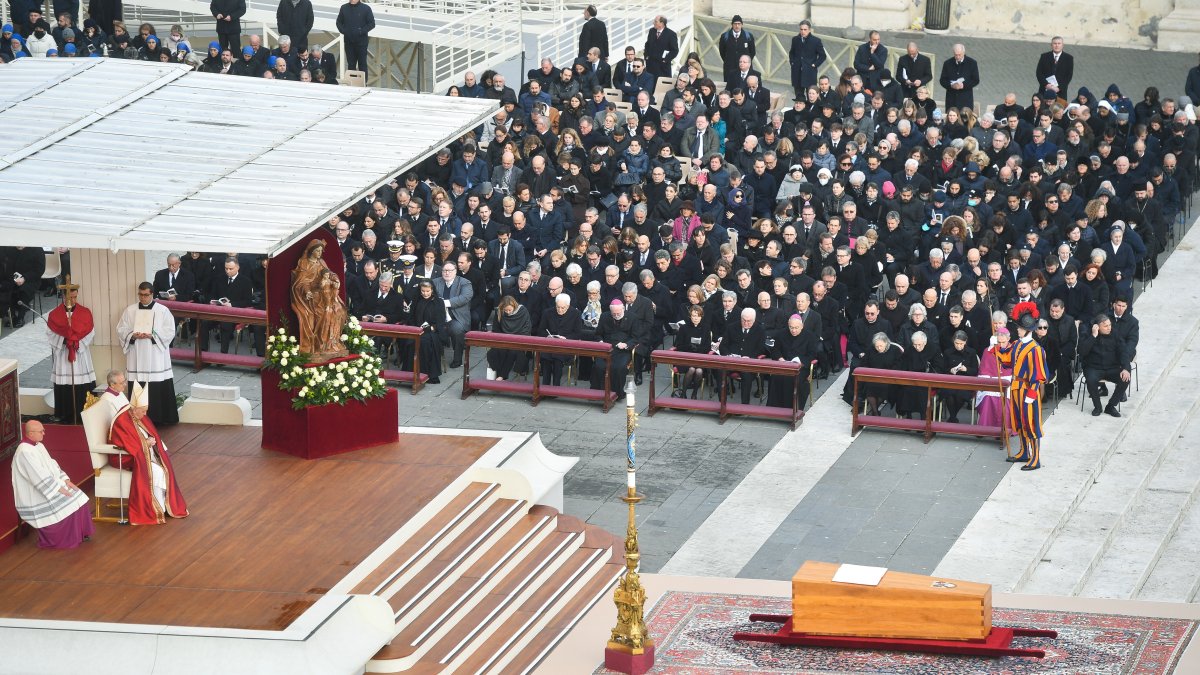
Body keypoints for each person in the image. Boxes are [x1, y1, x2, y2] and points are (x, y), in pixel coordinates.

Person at [108, 385, 189, 525]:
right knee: (157, 472)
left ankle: (162, 507)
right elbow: (128, 444)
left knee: (165, 468)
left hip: (143, 452)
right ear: (135, 409)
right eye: (143, 411)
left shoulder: (137, 415)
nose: (145, 415)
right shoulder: (122, 421)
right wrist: (146, 443)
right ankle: (155, 509)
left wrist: (155, 444)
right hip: (125, 457)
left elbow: (151, 433)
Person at [11, 421, 93, 549]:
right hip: (37, 493)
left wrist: (65, 480)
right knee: (68, 502)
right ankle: (61, 540)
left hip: (51, 484)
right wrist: (58, 489)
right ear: (31, 433)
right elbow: (37, 477)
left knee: (80, 498)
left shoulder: (39, 445)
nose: (44, 433)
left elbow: (52, 464)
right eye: (41, 431)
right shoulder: (24, 452)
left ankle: (80, 534)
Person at [115, 282, 178, 426]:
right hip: (136, 354)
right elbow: (121, 329)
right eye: (140, 295)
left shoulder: (162, 310)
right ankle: (138, 419)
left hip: (155, 356)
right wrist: (132, 335)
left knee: (156, 386)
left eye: (146, 295)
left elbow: (170, 331)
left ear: (152, 294)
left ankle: (159, 419)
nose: (143, 298)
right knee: (138, 385)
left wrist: (152, 335)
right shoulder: (130, 311)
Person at [999, 302, 1049, 470]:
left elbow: (1039, 375)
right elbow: (1007, 360)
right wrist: (997, 347)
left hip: (1028, 391)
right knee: (1019, 422)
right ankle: (1024, 452)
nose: (1017, 330)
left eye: (1020, 328)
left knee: (1031, 424)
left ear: (1027, 329)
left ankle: (1035, 458)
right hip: (1016, 388)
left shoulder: (1036, 349)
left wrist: (1032, 394)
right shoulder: (1017, 344)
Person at [46, 276, 95, 425]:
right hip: (63, 355)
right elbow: (50, 333)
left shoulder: (85, 312)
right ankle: (64, 414)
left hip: (79, 354)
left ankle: (83, 414)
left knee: (81, 385)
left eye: (75, 297)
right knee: (64, 383)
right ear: (63, 296)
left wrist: (77, 343)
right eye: (70, 297)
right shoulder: (54, 315)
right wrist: (64, 341)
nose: (73, 300)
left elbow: (91, 332)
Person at [1079, 313, 1133, 418]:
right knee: (1091, 380)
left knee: (1125, 378)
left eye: (1109, 325)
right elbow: (1082, 351)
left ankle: (1111, 406)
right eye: (1106, 326)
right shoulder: (1087, 333)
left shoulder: (1115, 334)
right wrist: (1093, 336)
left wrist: (1126, 368)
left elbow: (1123, 352)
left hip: (1112, 367)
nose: (1109, 328)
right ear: (1097, 327)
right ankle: (1097, 407)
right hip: (1093, 367)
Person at [766, 313, 818, 408]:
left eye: (796, 328)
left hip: (801, 367)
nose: (793, 330)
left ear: (802, 326)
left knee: (793, 379)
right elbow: (775, 350)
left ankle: (793, 409)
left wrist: (801, 361)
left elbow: (812, 354)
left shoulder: (809, 336)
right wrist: (780, 358)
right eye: (791, 327)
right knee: (775, 377)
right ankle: (774, 409)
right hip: (784, 365)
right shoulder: (781, 334)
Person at [788, 20, 824, 99]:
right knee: (798, 96)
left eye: (805, 29)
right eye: (801, 29)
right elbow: (791, 53)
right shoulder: (795, 39)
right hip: (797, 73)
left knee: (811, 97)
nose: (803, 31)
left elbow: (823, 56)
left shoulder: (816, 41)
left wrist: (814, 64)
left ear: (809, 30)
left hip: (809, 73)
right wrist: (792, 63)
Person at [939, 43, 979, 111]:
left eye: (959, 55)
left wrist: (963, 85)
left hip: (965, 99)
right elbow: (942, 80)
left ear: (963, 53)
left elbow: (976, 80)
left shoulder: (972, 63)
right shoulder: (947, 63)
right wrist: (951, 85)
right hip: (951, 99)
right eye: (955, 55)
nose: (957, 57)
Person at [336, 0, 373, 73]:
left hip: (361, 43)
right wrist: (344, 31)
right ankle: (351, 83)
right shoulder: (344, 8)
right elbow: (338, 22)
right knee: (351, 65)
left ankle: (363, 83)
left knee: (362, 65)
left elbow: (372, 24)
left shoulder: (366, 8)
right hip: (348, 42)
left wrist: (360, 31)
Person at [1035, 36, 1073, 103]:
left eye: (1059, 43)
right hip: (1045, 90)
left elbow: (1068, 76)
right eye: (1055, 43)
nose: (1057, 45)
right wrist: (1046, 85)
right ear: (1051, 45)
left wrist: (1059, 88)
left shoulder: (1068, 58)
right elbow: (1039, 73)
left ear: (1062, 45)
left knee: (1057, 111)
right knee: (1043, 111)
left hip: (1060, 92)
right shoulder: (1044, 56)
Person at [643, 15, 678, 80]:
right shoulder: (651, 31)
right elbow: (647, 44)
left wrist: (665, 60)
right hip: (650, 67)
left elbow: (675, 50)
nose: (653, 23)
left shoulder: (671, 34)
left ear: (662, 23)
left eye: (655, 21)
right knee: (650, 87)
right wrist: (646, 56)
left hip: (663, 68)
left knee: (662, 87)